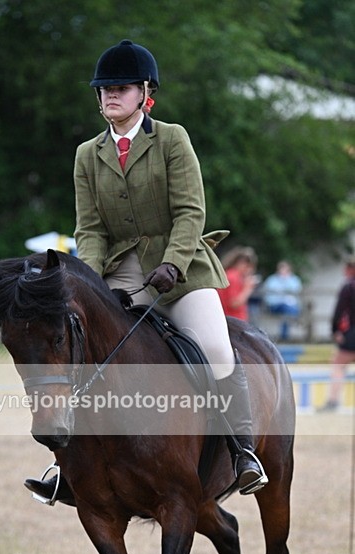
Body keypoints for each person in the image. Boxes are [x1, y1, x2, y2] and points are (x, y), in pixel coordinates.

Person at [25, 39, 268, 502]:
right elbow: (90, 228)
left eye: (119, 88)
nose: (109, 96)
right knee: (82, 350)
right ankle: (66, 466)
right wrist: (90, 285)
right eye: (103, 89)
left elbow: (191, 211)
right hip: (118, 271)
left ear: (144, 93)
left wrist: (173, 263)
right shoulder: (86, 154)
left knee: (216, 348)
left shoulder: (172, 138)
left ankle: (241, 452)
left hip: (181, 267)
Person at [318, 260, 355, 412]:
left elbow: (339, 310)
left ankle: (333, 401)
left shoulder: (348, 287)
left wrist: (334, 330)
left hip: (352, 332)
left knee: (338, 365)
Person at [217, 247, 260, 322]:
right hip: (234, 322)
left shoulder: (230, 274)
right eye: (250, 266)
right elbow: (234, 303)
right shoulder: (233, 277)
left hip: (231, 320)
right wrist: (248, 288)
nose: (251, 270)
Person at [262, 260, 302, 341]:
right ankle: (295, 319)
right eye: (282, 269)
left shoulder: (294, 280)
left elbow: (297, 291)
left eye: (286, 270)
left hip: (290, 306)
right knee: (287, 309)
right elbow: (269, 298)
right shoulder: (272, 280)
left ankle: (284, 336)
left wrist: (286, 281)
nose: (283, 272)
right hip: (274, 306)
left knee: (287, 311)